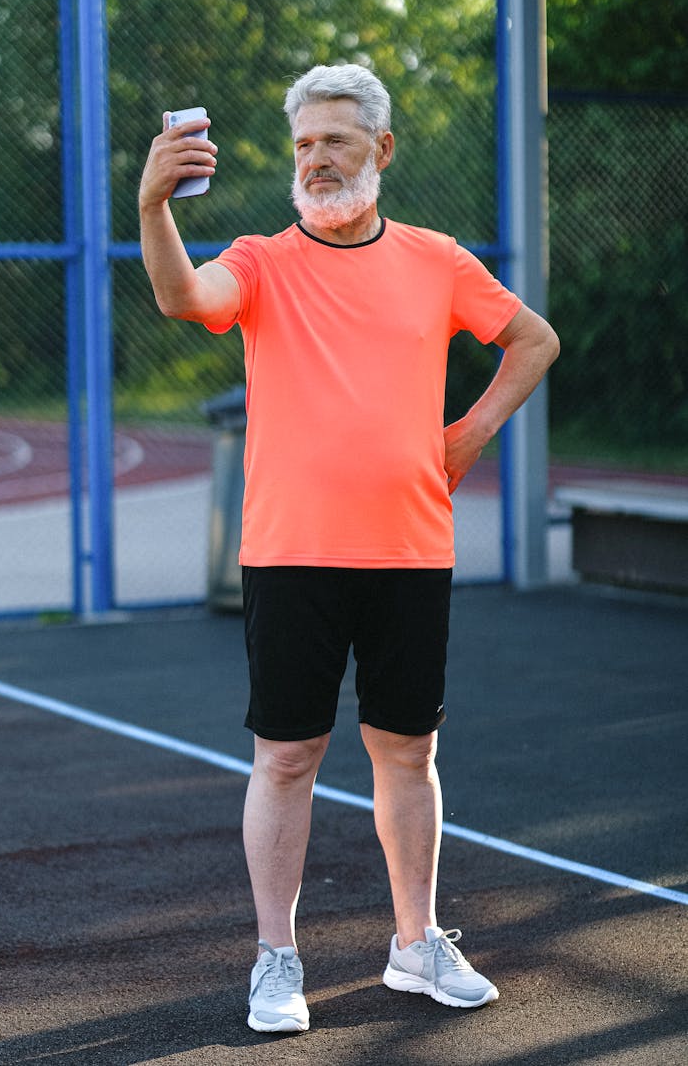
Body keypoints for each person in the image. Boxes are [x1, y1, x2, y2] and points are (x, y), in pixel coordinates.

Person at [139, 63, 560, 1035]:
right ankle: (276, 960)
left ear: (382, 148)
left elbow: (530, 340)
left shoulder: (436, 259)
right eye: (302, 146)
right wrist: (155, 206)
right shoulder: (258, 258)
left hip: (411, 550)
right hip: (291, 554)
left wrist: (470, 433)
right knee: (286, 757)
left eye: (333, 139)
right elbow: (182, 300)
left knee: (409, 751)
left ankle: (415, 945)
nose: (316, 160)